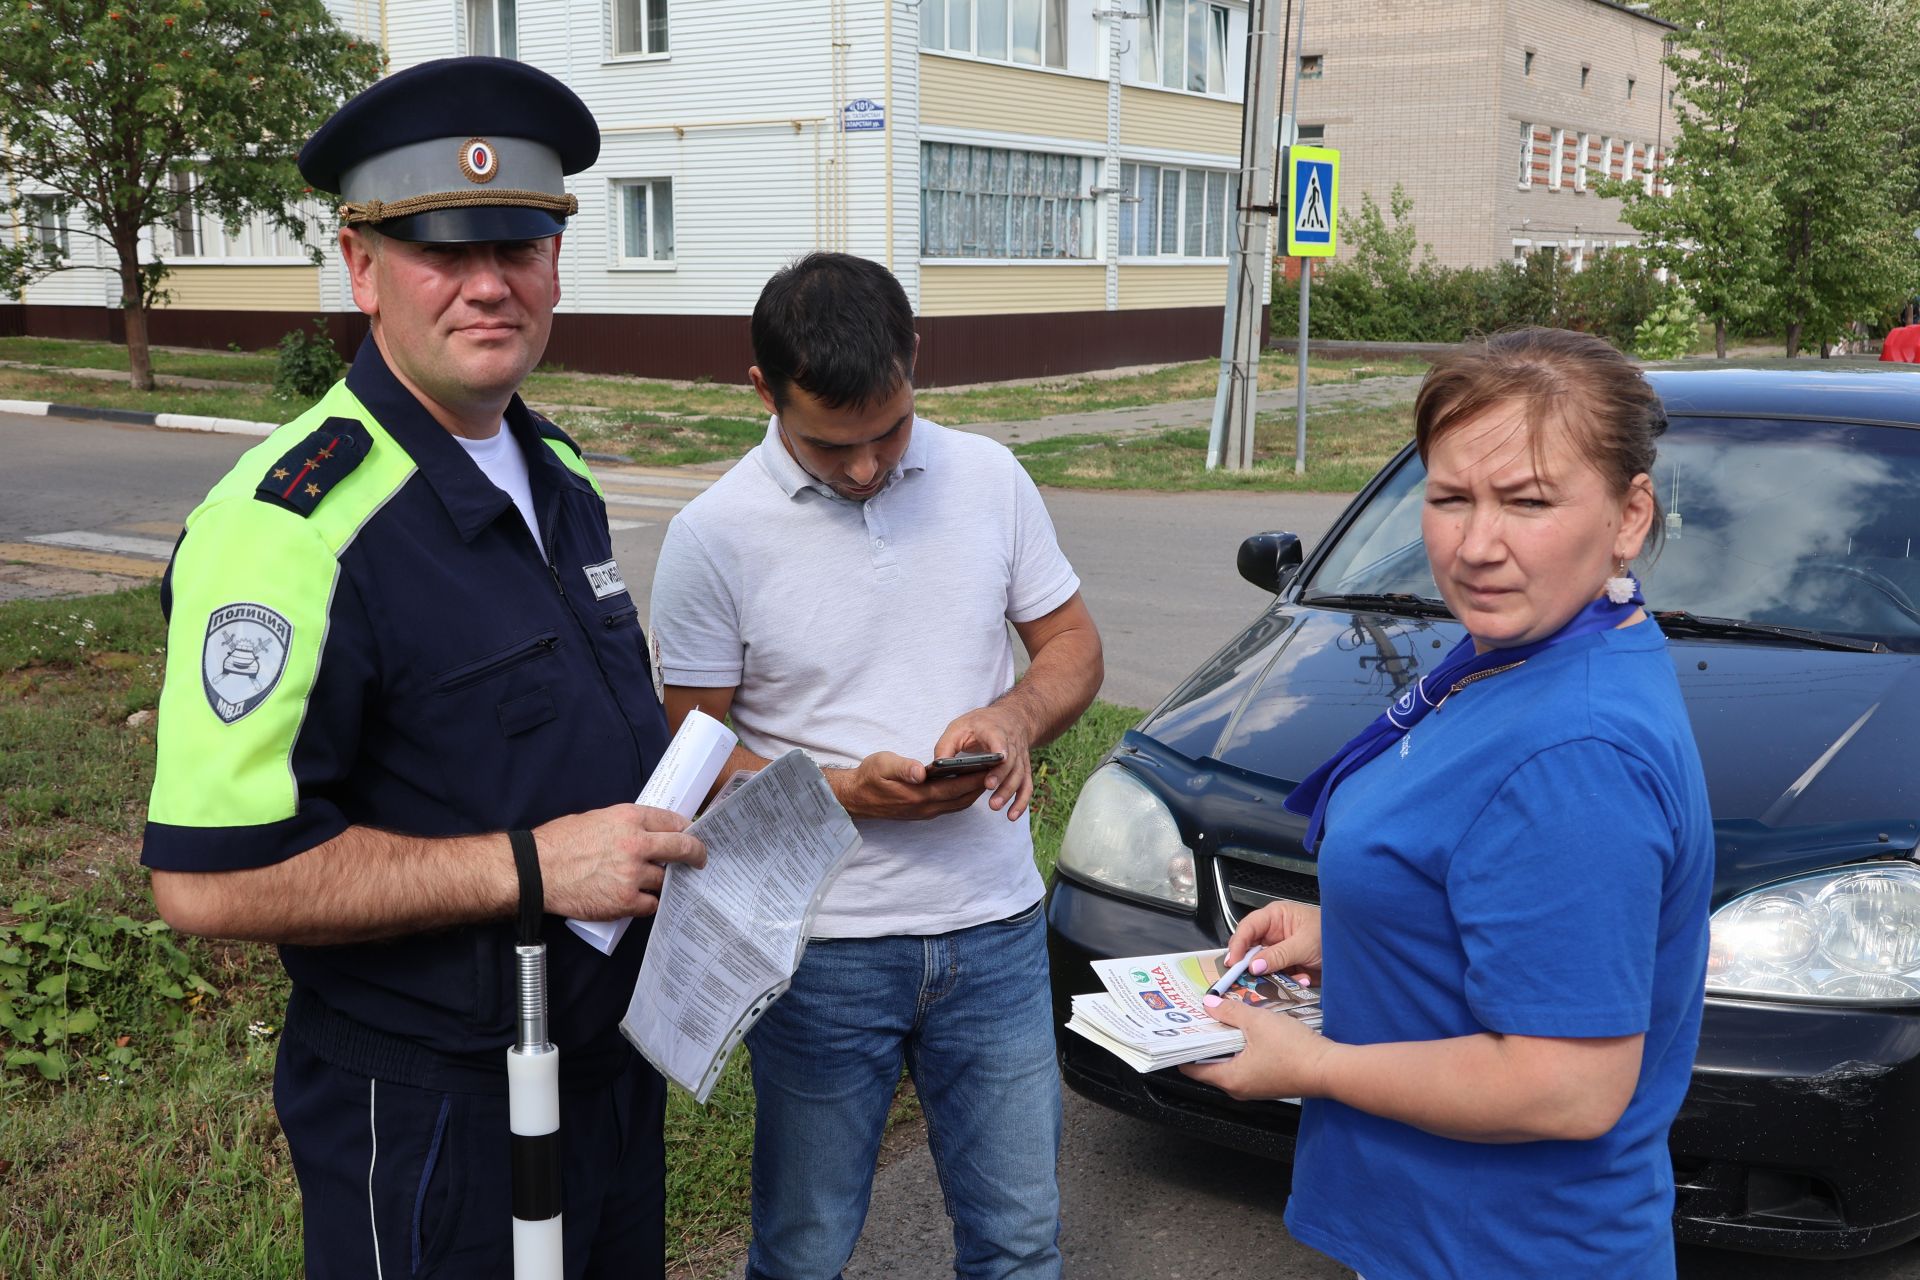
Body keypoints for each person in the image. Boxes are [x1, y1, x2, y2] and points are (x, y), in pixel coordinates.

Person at [142, 57, 704, 1279]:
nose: (490, 285)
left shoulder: (559, 471)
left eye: (521, 244)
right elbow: (209, 882)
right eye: (443, 250)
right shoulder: (289, 526)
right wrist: (534, 867)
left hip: (606, 1069)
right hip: (437, 1108)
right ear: (361, 263)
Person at [1183, 328, 1714, 1278]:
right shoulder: (1534, 646)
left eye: (1528, 501)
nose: (1477, 546)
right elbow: (1496, 897)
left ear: (1629, 516)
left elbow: (1568, 1088)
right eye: (1448, 498)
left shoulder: (1575, 750)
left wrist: (1308, 1068)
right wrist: (1360, 928)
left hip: (1506, 1249)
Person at [649, 251, 1103, 1280]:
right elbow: (693, 757)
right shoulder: (710, 536)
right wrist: (841, 792)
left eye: (888, 432)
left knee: (1020, 1241)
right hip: (822, 949)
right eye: (830, 444)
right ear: (763, 391)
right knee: (804, 1247)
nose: (864, 468)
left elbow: (1074, 645)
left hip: (994, 928)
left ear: (915, 361)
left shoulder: (988, 477)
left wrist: (1016, 710)